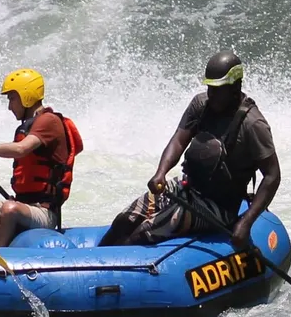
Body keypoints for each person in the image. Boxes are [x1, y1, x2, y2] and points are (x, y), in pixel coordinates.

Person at [107, 49, 279, 246]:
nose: (211, 94)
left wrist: (246, 222)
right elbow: (179, 140)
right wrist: (161, 172)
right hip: (186, 188)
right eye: (209, 88)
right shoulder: (201, 104)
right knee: (124, 221)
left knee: (141, 234)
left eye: (217, 89)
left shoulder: (253, 125)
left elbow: (272, 175)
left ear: (234, 88)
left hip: (218, 207)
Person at [0, 67, 84, 244]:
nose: (9, 106)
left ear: (26, 96)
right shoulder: (30, 125)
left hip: (44, 213)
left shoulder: (49, 121)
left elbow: (21, 149)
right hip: (24, 206)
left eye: (12, 98)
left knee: (10, 209)